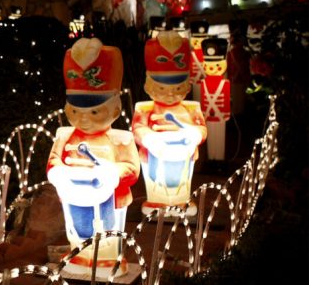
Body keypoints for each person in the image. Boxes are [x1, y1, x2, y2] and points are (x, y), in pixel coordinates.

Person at [47, 37, 140, 277]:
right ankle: (79, 256)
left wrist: (111, 171)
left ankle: (109, 262)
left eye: (95, 111)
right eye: (75, 111)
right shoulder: (65, 137)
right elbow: (53, 161)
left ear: (115, 110)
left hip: (112, 200)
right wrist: (61, 172)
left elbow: (131, 168)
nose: (83, 119)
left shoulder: (120, 139)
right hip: (74, 196)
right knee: (76, 233)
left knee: (109, 239)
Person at [133, 30, 207, 217]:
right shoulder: (145, 109)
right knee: (156, 181)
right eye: (162, 88)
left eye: (177, 88)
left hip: (184, 155)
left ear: (187, 86)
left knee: (182, 182)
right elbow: (138, 128)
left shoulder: (191, 109)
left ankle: (181, 201)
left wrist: (190, 133)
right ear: (149, 85)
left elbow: (201, 129)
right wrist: (150, 138)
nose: (170, 94)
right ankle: (157, 202)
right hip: (154, 156)